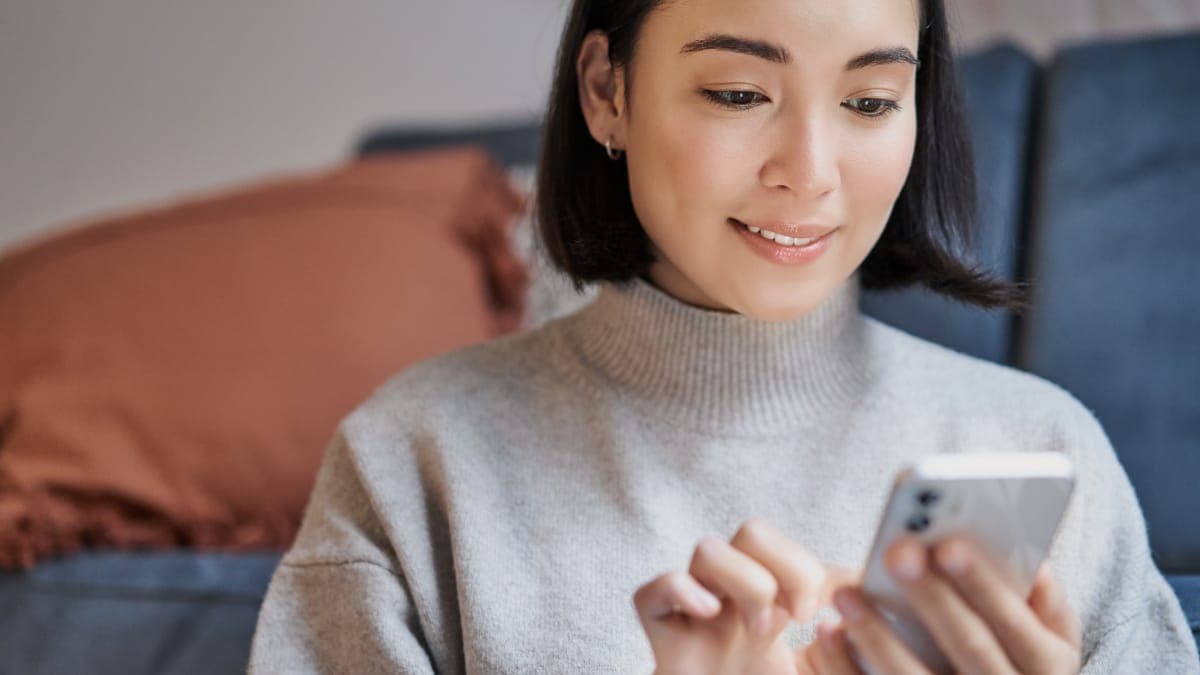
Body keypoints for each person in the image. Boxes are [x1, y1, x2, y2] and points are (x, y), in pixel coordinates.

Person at [247, 0, 1199, 672]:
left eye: (869, 102)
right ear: (606, 93)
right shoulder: (414, 463)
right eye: (740, 94)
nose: (811, 172)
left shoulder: (1042, 449)